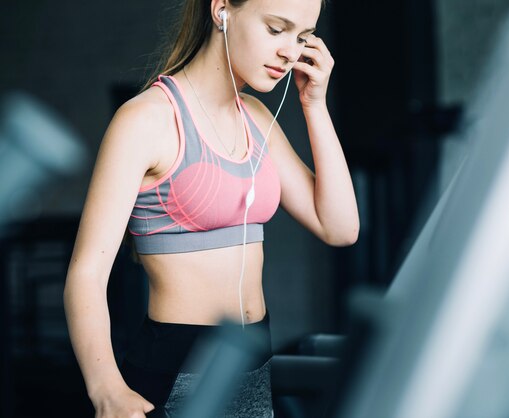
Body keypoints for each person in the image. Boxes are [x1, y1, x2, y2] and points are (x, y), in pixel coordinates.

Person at [63, 0, 359, 416]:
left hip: (254, 360)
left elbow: (340, 228)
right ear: (221, 9)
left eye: (303, 37)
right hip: (177, 368)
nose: (291, 52)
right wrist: (106, 387)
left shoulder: (255, 118)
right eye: (277, 29)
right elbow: (87, 274)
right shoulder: (147, 120)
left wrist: (315, 105)